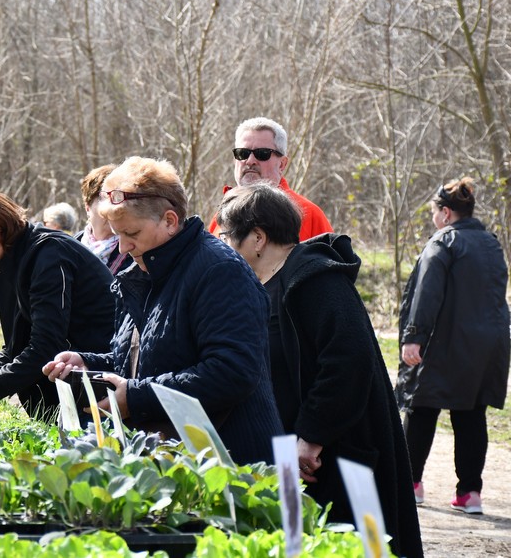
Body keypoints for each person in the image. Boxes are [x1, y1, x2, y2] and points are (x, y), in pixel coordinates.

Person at [216, 183, 423, 558]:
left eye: (229, 237)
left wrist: (311, 437)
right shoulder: (263, 286)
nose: (225, 246)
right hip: (290, 453)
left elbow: (348, 363)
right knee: (298, 545)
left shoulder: (316, 280)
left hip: (343, 452)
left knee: (367, 547)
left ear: (258, 237)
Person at [43, 157, 282, 465]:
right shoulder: (140, 272)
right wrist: (86, 363)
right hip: (175, 461)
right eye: (117, 235)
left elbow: (232, 371)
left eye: (132, 233)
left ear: (170, 221)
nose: (123, 247)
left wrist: (136, 397)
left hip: (232, 464)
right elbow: (143, 359)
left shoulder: (219, 271)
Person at [0, 185, 115, 419]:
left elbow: (45, 346)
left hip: (99, 396)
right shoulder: (10, 268)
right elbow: (13, 347)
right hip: (67, 398)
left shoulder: (50, 255)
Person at [395, 177, 510, 516]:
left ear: (445, 213)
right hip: (487, 346)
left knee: (420, 407)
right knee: (471, 413)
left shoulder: (443, 243)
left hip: (444, 342)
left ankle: (409, 483)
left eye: (434, 213)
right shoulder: (491, 243)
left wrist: (414, 336)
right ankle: (470, 493)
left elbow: (426, 293)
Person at [208, 117, 332, 241]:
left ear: (282, 164)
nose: (250, 161)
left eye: (262, 153)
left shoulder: (310, 216)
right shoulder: (222, 216)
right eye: (243, 153)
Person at [76, 164, 132, 276]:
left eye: (118, 200)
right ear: (87, 207)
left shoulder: (134, 249)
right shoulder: (70, 246)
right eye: (105, 200)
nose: (113, 209)